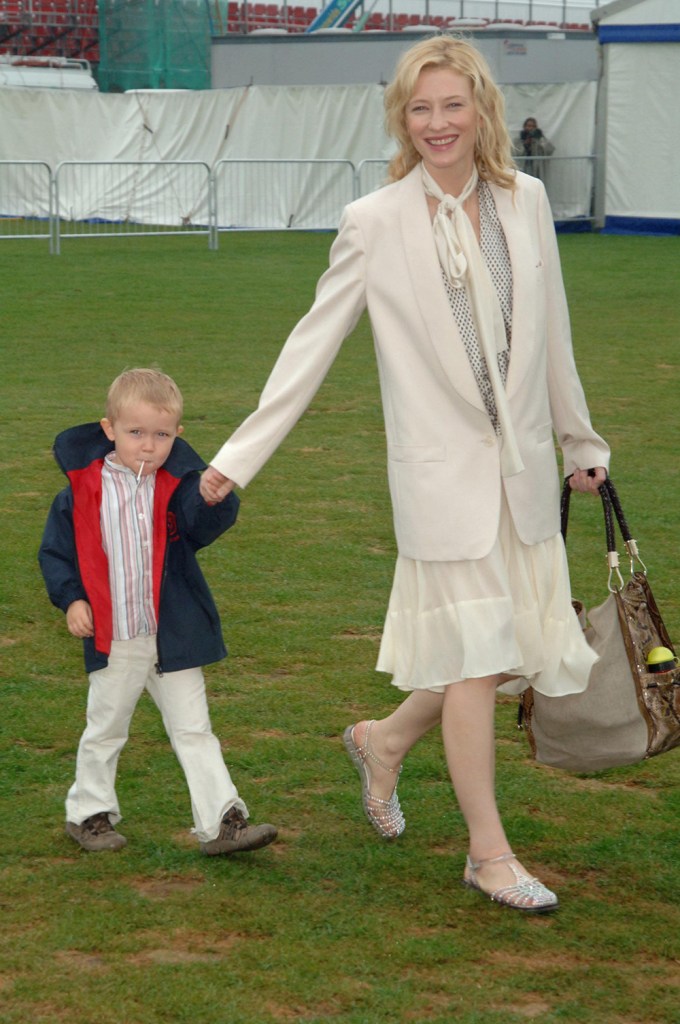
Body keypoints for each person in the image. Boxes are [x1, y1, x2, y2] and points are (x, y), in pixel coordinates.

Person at [200, 35, 609, 913]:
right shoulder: (374, 221)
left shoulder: (526, 200)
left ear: (481, 110)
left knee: (512, 654)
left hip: (524, 476)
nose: (437, 123)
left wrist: (581, 444)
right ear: (402, 118)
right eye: (419, 109)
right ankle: (488, 854)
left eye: (451, 105)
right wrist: (238, 458)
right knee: (474, 662)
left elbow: (554, 336)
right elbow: (309, 345)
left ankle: (383, 742)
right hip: (440, 485)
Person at [38, 368, 278, 857]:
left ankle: (221, 823)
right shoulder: (81, 491)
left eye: (161, 435)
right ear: (109, 428)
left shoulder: (177, 487)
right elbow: (56, 554)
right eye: (135, 433)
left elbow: (201, 525)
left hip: (173, 636)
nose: (148, 446)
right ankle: (89, 814)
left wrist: (214, 497)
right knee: (106, 728)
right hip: (115, 636)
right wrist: (73, 599)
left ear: (177, 435)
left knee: (194, 729)